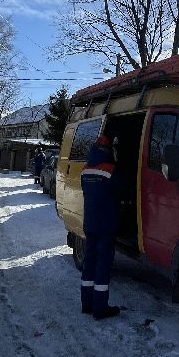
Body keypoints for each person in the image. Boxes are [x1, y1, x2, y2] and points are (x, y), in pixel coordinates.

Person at [80, 135, 124, 320]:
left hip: (90, 223)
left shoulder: (85, 170)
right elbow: (123, 188)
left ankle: (86, 304)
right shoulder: (110, 170)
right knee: (103, 265)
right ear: (107, 151)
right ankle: (100, 308)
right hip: (106, 225)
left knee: (89, 263)